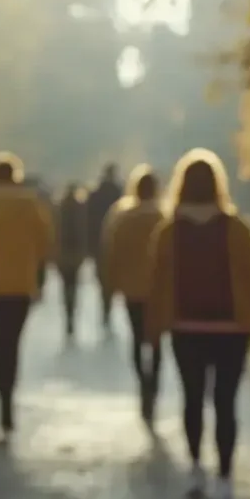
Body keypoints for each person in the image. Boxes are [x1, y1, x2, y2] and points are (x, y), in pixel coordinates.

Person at [145, 148, 250, 499]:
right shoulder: (237, 227)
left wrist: (153, 328)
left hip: (186, 327)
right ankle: (225, 481)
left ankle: (197, 470)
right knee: (226, 403)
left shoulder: (168, 232)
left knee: (193, 398)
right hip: (231, 329)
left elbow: (157, 283)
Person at [0, 152, 54, 438]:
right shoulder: (30, 203)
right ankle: (8, 398)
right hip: (20, 286)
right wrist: (40, 276)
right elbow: (45, 242)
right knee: (12, 343)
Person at [101, 165, 164, 427]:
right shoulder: (163, 216)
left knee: (137, 338)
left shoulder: (122, 217)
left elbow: (111, 252)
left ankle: (143, 382)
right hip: (158, 289)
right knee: (157, 341)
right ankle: (154, 386)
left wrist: (111, 283)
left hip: (132, 288)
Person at [87, 163, 122, 327]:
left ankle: (105, 306)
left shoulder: (95, 194)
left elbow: (87, 218)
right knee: (112, 274)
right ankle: (108, 305)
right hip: (115, 241)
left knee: (102, 276)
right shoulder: (119, 193)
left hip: (97, 241)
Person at [56, 182, 88, 339]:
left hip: (62, 255)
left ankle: (68, 313)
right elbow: (83, 231)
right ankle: (71, 314)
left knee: (65, 286)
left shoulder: (59, 209)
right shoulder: (80, 208)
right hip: (75, 255)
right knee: (73, 286)